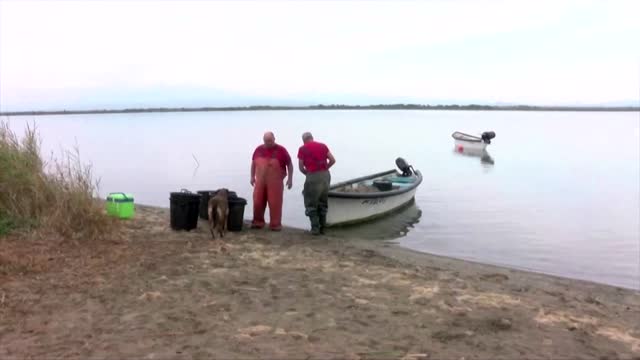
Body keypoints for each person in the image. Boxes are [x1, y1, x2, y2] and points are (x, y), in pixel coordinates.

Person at [250, 131, 293, 231]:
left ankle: (275, 224)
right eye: (266, 141)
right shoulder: (258, 149)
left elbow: (290, 165)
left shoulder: (282, 150)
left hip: (275, 183)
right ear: (263, 140)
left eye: (270, 140)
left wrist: (290, 179)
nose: (268, 143)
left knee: (275, 203)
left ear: (274, 139)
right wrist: (252, 177)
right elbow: (253, 163)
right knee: (257, 202)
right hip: (260, 181)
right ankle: (257, 222)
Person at [297, 132, 335, 235]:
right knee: (323, 202)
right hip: (326, 176)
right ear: (312, 138)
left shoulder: (302, 149)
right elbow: (332, 160)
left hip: (312, 176)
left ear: (304, 140)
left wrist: (309, 174)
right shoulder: (323, 146)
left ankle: (315, 229)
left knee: (310, 202)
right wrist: (324, 168)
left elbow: (300, 167)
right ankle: (323, 229)